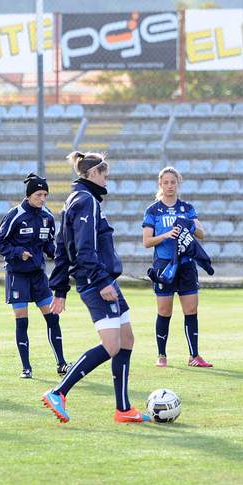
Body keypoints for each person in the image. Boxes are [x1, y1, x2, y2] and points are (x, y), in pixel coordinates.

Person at [42, 151, 149, 424]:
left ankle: (123, 409)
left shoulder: (78, 200)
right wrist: (100, 282)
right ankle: (58, 392)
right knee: (112, 345)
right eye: (104, 174)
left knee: (127, 340)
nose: (107, 178)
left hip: (103, 279)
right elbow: (84, 249)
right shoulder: (85, 201)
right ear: (91, 174)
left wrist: (61, 289)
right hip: (96, 281)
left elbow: (63, 247)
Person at [0, 173, 68, 379]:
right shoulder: (15, 215)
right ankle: (26, 367)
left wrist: (61, 254)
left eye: (45, 194)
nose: (42, 198)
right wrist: (18, 253)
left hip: (38, 275)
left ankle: (61, 363)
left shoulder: (47, 216)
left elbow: (49, 245)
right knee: (22, 321)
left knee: (53, 318)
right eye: (38, 194)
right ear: (28, 195)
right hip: (17, 275)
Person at [142, 166, 212, 368]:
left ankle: (194, 356)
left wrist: (191, 225)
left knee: (191, 309)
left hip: (186, 265)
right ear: (160, 184)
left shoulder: (187, 208)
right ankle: (162, 355)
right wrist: (166, 235)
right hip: (164, 266)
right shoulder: (153, 210)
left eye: (173, 182)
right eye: (166, 182)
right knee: (164, 311)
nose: (169, 186)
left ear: (178, 184)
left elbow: (201, 234)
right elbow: (146, 242)